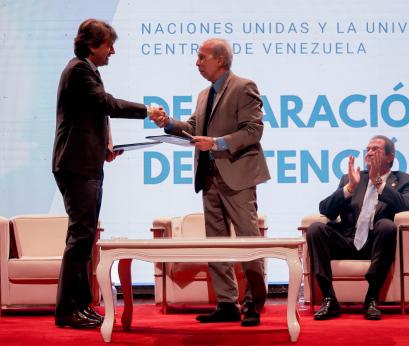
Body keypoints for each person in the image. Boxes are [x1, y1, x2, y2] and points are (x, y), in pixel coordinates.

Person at [52, 19, 164, 329]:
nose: (112, 50)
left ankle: (81, 306)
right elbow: (106, 104)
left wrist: (106, 148)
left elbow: (92, 115)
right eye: (108, 44)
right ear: (92, 45)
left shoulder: (88, 70)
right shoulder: (78, 70)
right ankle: (66, 310)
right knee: (80, 237)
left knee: (84, 238)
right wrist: (148, 110)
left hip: (87, 163)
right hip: (76, 166)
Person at [151, 38, 270, 327]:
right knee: (216, 243)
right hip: (209, 178)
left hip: (238, 177)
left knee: (248, 241)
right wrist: (168, 122)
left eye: (202, 57)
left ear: (220, 60)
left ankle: (254, 303)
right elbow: (193, 128)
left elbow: (254, 131)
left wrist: (216, 143)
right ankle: (227, 303)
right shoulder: (204, 94)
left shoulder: (244, 87)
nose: (197, 62)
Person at [306, 135, 409, 320]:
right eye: (368, 149)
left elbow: (408, 205)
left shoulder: (405, 180)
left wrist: (378, 182)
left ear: (390, 157)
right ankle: (329, 299)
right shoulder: (352, 179)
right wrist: (350, 187)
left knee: (387, 226)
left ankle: (372, 298)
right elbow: (326, 209)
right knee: (316, 229)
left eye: (376, 149)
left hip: (377, 244)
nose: (370, 153)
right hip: (348, 240)